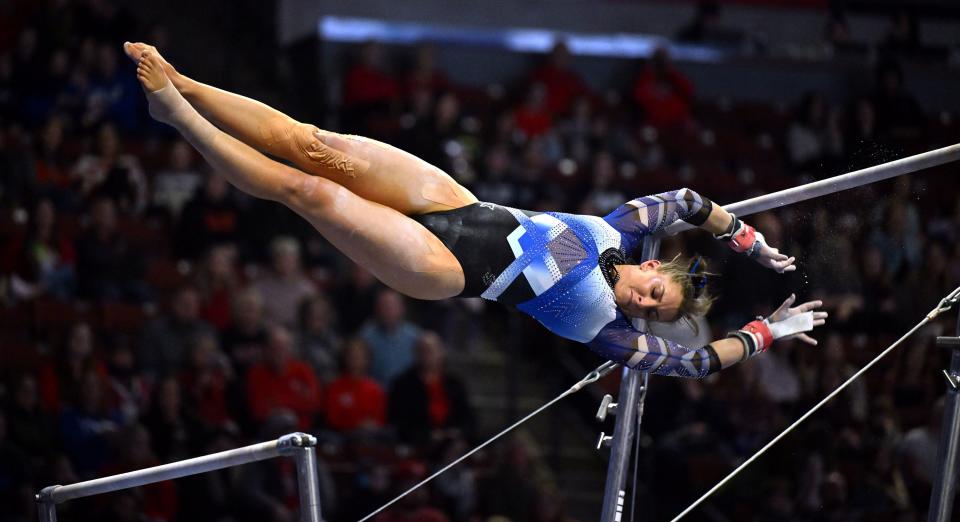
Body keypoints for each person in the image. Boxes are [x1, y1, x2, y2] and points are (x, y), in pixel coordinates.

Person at [124, 42, 827, 379]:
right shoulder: (623, 228)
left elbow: (701, 363)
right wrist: (751, 243)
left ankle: (178, 113)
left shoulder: (606, 332)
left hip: (446, 267)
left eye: (652, 307)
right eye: (657, 289)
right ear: (655, 266)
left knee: (309, 193)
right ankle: (188, 78)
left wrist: (771, 329)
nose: (644, 301)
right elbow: (690, 202)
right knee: (319, 147)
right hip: (454, 200)